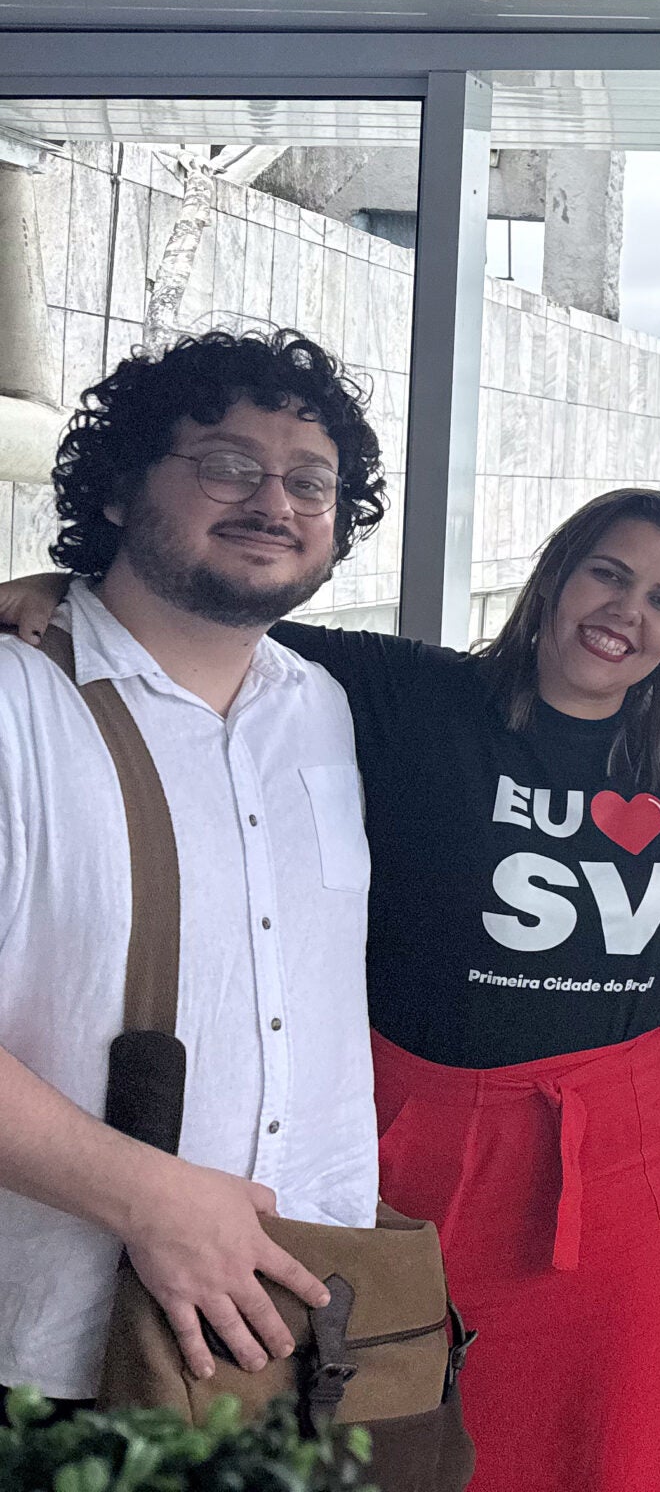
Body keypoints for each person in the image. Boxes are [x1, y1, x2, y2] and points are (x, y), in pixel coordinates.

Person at [1, 481, 660, 1488]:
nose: (625, 612)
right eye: (608, 573)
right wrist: (58, 587)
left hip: (618, 1154)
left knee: (608, 1430)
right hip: (419, 1138)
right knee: (398, 1402)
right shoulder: (407, 690)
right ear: (556, 576)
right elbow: (202, 612)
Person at [0, 329, 384, 1401]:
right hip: (51, 1352)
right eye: (226, 464)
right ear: (119, 489)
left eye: (310, 482)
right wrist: (148, 1198)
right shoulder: (15, 704)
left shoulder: (322, 706)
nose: (274, 502)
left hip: (300, 1326)